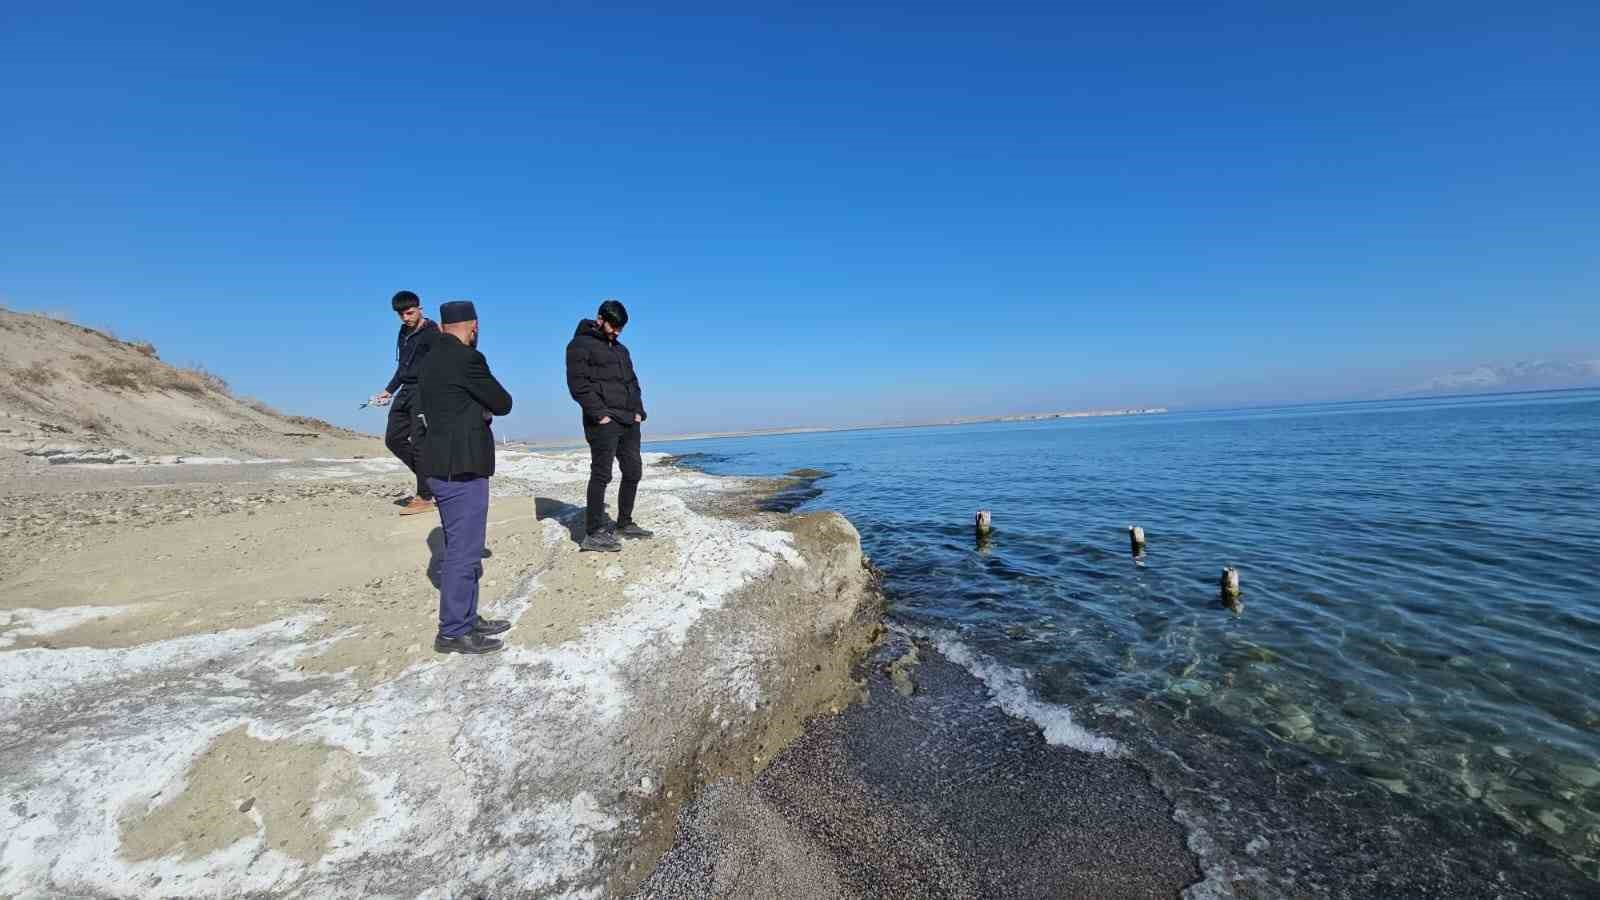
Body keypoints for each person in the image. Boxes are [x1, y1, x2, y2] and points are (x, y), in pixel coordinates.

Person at [417, 300, 514, 654]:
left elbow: (445, 406)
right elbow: (503, 402)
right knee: (464, 550)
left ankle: (468, 617)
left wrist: (477, 409)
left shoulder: (427, 360)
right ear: (473, 327)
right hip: (463, 467)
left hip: (440, 465)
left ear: (442, 327)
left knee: (463, 546)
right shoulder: (467, 358)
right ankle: (453, 630)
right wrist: (484, 411)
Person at [565, 299, 652, 552]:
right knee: (602, 474)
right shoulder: (579, 345)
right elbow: (577, 385)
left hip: (629, 420)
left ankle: (625, 523)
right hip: (603, 421)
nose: (616, 332)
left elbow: (633, 382)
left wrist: (638, 411)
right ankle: (592, 533)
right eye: (613, 326)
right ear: (600, 319)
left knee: (633, 471)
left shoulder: (621, 350)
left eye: (621, 328)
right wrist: (600, 415)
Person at [377, 290, 440, 515]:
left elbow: (443, 365)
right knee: (393, 439)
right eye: (401, 314)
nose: (405, 318)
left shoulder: (433, 332)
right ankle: (432, 480)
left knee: (420, 442)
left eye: (409, 312)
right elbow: (402, 365)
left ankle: (425, 495)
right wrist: (388, 390)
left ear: (420, 308)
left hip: (424, 392)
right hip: (404, 390)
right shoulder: (403, 331)